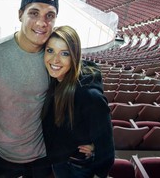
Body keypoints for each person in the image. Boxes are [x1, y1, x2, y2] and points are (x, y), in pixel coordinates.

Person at [0, 0, 59, 178]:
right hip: (2, 156)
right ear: (20, 15)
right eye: (34, 13)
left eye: (50, 16)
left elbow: (83, 92)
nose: (42, 22)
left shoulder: (55, 57)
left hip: (44, 156)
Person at [42, 25, 115, 178]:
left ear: (74, 56)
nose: (55, 59)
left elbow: (106, 144)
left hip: (76, 166)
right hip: (58, 158)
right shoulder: (54, 78)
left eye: (64, 53)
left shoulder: (89, 96)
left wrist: (99, 172)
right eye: (50, 50)